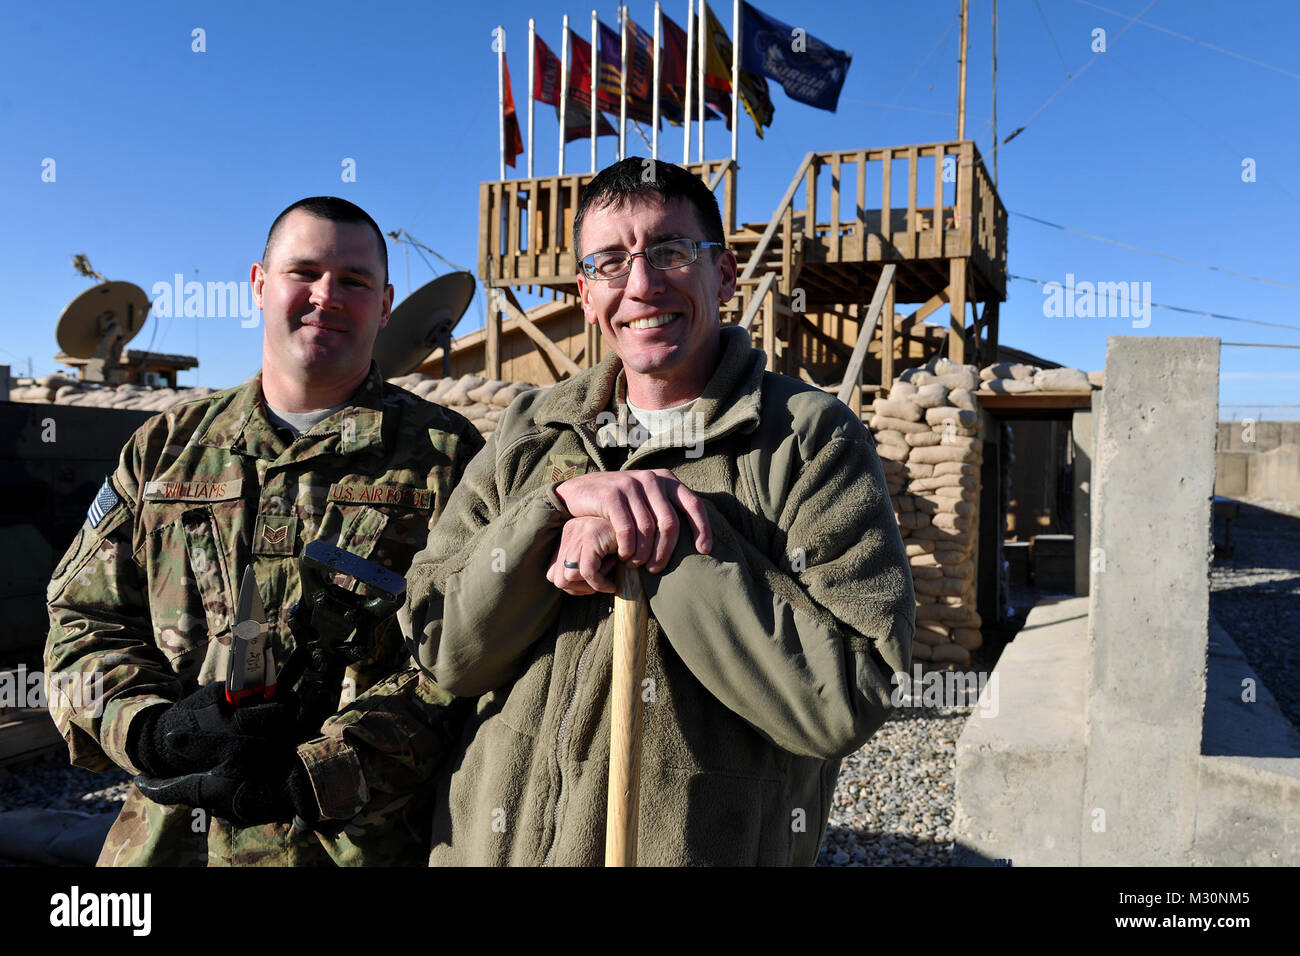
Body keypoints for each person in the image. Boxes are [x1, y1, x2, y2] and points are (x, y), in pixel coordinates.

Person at [399, 159, 914, 866]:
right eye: (610, 262)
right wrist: (551, 513)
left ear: (724, 275)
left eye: (671, 252)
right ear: (585, 293)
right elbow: (439, 648)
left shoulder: (808, 439)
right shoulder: (530, 432)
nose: (641, 285)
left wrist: (666, 541)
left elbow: (848, 698)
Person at [44, 196, 483, 866]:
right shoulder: (167, 447)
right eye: (303, 272)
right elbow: (83, 619)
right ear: (258, 284)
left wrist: (328, 769)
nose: (327, 296)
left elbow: (472, 654)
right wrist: (154, 732)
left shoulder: (450, 459)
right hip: (170, 845)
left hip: (354, 845)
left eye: (355, 282)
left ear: (388, 304)